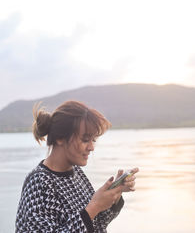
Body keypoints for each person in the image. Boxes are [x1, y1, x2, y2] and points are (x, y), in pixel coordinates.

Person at [15, 100, 139, 233]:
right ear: (60, 138)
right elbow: (88, 216)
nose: (91, 147)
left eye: (93, 140)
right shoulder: (39, 182)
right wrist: (94, 206)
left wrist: (115, 195)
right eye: (85, 140)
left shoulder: (76, 172)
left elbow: (97, 224)